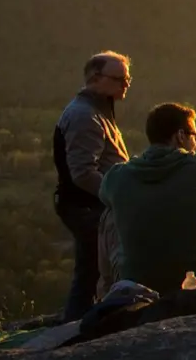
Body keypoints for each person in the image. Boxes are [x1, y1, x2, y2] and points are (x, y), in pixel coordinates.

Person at [99, 103, 196, 296]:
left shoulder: (117, 176)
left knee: (109, 214)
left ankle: (109, 293)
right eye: (194, 136)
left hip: (136, 284)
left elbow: (103, 195)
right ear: (180, 136)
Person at [52, 51, 133, 320]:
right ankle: (76, 329)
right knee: (91, 270)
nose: (126, 83)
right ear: (95, 79)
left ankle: (80, 324)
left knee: (94, 270)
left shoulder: (97, 111)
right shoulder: (85, 116)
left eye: (128, 77)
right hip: (88, 207)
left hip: (91, 205)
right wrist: (118, 196)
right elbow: (84, 173)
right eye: (119, 78)